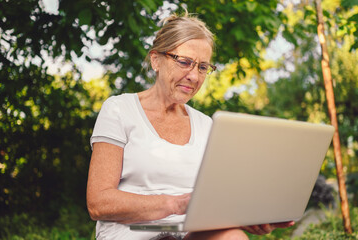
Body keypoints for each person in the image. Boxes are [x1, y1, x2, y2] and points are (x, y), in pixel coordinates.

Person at [86, 12, 294, 240]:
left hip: (187, 234)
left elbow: (217, 200)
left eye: (203, 67)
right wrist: (177, 204)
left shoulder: (207, 126)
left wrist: (246, 217)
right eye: (185, 62)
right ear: (156, 60)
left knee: (233, 236)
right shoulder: (119, 109)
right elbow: (99, 203)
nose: (194, 76)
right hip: (131, 234)